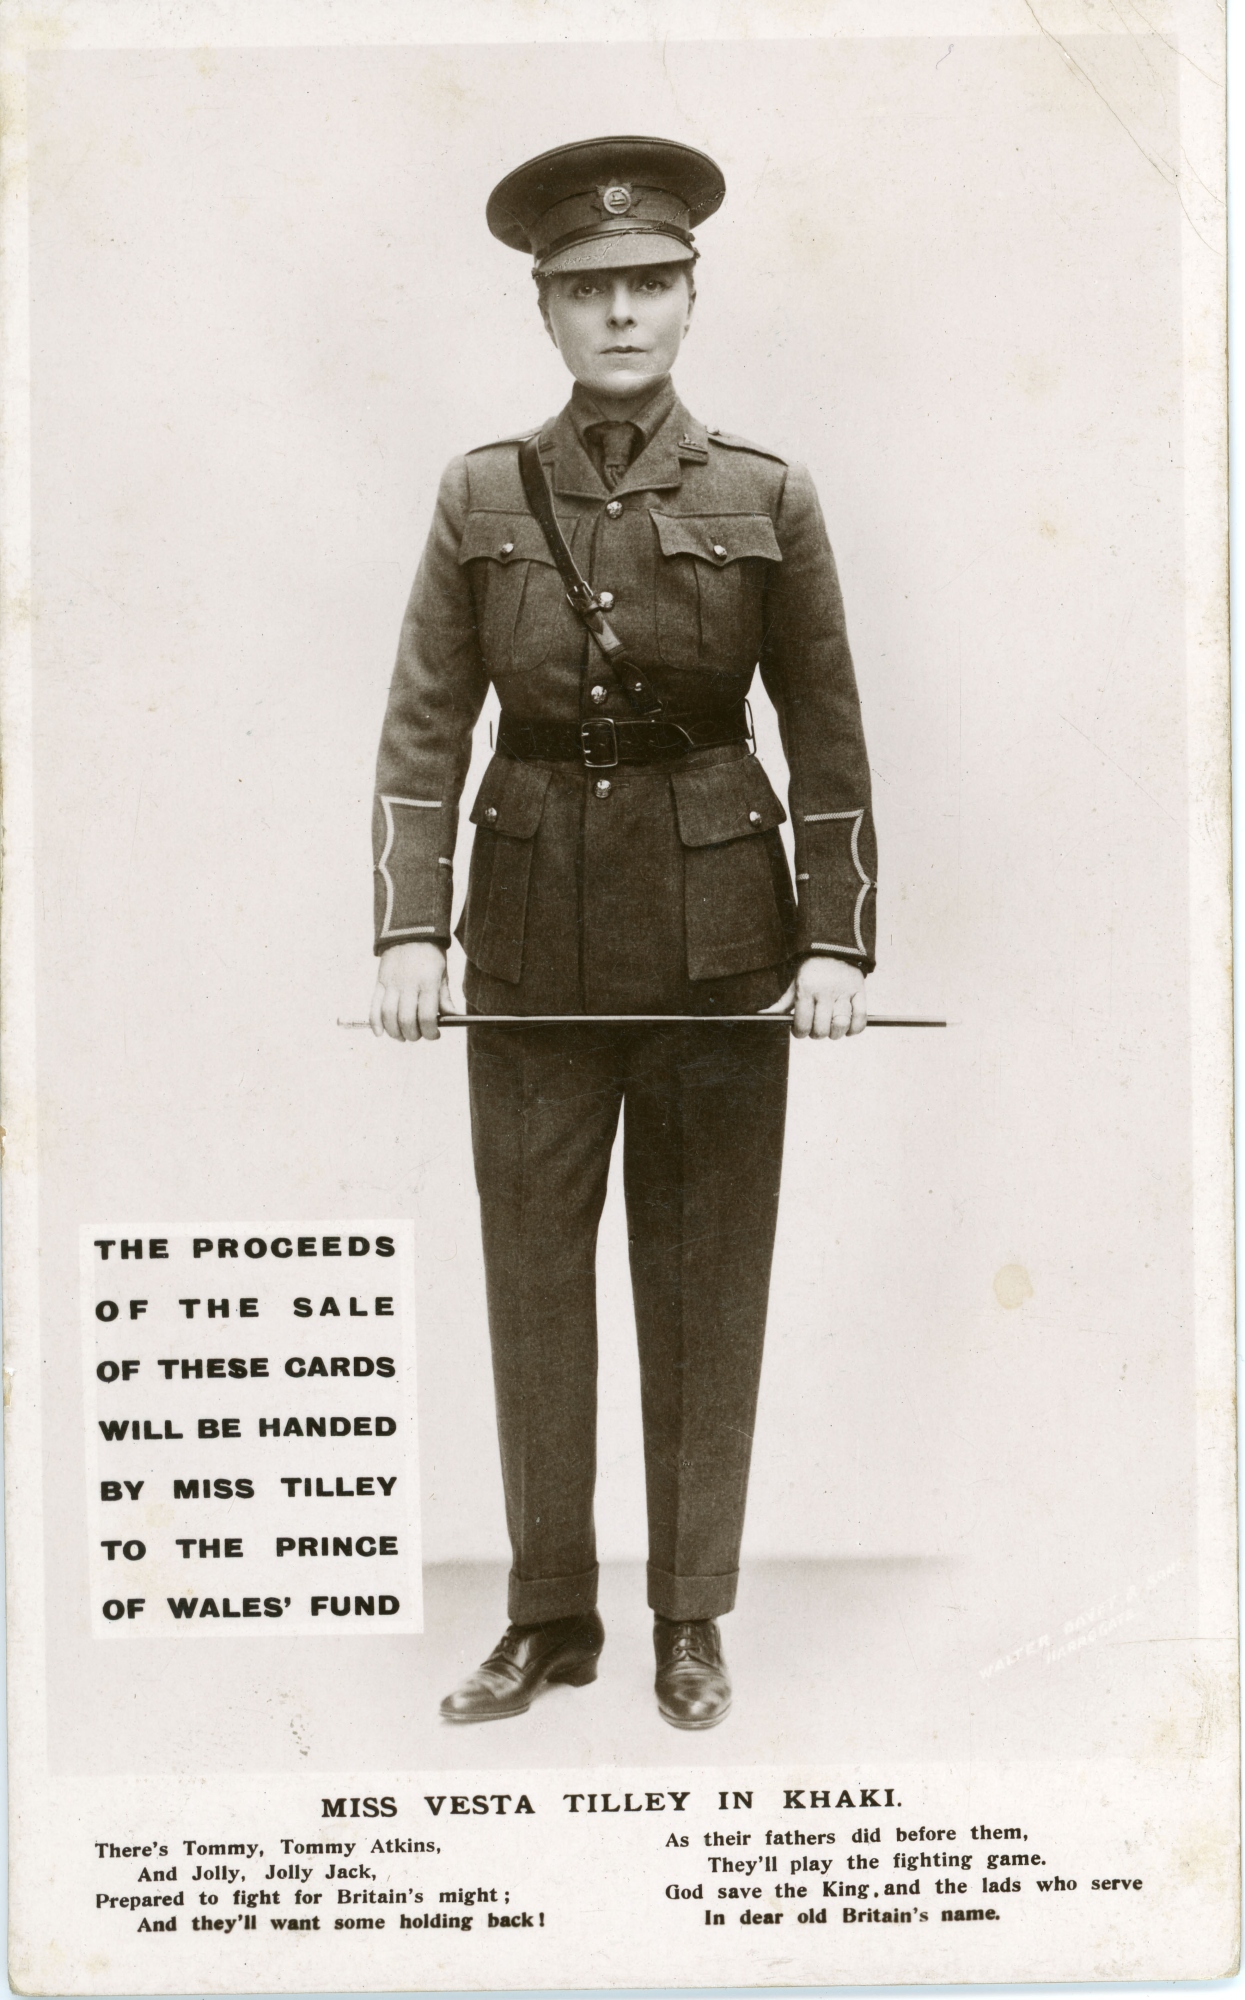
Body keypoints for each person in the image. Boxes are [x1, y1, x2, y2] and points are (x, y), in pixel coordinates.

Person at [370, 136, 876, 1730]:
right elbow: (424, 722)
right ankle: (547, 1621)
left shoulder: (764, 493)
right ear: (542, 308)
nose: (620, 314)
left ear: (690, 298)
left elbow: (826, 730)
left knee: (703, 1285)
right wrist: (408, 930)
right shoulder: (478, 493)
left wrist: (834, 943)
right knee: (532, 1286)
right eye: (587, 290)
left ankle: (688, 1620)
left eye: (649, 283)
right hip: (527, 946)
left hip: (722, 946)